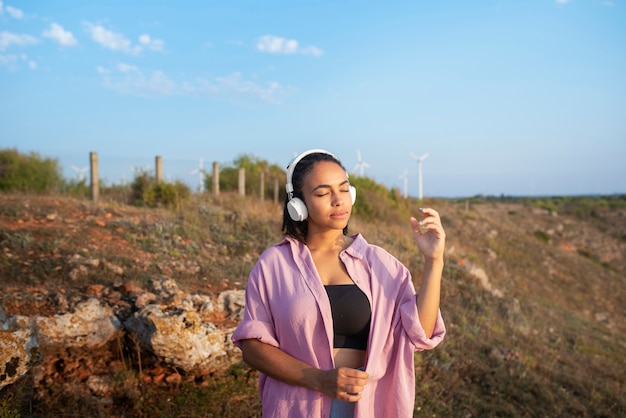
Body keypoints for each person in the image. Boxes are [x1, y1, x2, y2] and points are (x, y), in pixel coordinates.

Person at [232, 149, 446, 417]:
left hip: (369, 405)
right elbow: (252, 348)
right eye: (322, 193)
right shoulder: (274, 264)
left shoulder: (380, 263)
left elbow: (421, 333)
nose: (338, 201)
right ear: (297, 205)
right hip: (299, 405)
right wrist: (318, 379)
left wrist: (434, 261)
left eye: (344, 190)